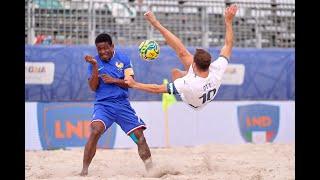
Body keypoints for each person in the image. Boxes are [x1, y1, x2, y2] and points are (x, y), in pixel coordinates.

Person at [125, 4, 238, 110]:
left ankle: (156, 24)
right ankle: (156, 24)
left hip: (194, 104)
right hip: (203, 84)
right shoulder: (217, 68)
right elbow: (228, 45)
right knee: (182, 54)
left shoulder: (188, 84)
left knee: (175, 72)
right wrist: (228, 21)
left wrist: (135, 84)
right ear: (209, 64)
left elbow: (157, 89)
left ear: (194, 65)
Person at [80, 33, 153, 176]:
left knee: (139, 137)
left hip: (122, 106)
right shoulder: (94, 62)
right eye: (99, 49)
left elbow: (130, 83)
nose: (102, 52)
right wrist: (94, 66)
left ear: (112, 46)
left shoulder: (124, 59)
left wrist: (114, 80)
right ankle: (84, 170)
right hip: (104, 106)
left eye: (105, 48)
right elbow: (93, 87)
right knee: (95, 131)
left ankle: (151, 170)